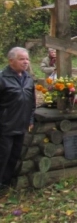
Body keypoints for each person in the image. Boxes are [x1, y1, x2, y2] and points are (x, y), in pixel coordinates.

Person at [0, 47, 35, 193]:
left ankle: (5, 184)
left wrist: (31, 119)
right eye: (22, 59)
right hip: (4, 126)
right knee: (2, 156)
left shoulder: (28, 78)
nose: (25, 62)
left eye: (27, 59)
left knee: (15, 155)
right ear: (11, 61)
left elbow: (32, 103)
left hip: (22, 125)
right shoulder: (2, 78)